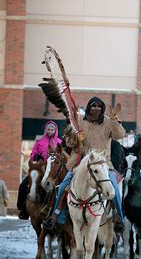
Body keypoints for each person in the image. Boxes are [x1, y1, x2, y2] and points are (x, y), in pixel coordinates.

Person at [42, 97, 126, 233]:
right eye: (94, 106)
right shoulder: (79, 120)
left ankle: (119, 218)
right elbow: (69, 142)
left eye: (99, 106)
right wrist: (76, 138)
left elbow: (120, 135)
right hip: (79, 163)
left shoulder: (108, 121)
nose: (97, 108)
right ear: (88, 107)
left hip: (102, 163)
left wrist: (115, 119)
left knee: (114, 189)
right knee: (63, 185)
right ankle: (55, 216)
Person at [17, 121, 62, 220]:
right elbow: (33, 153)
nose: (50, 131)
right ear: (46, 130)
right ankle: (23, 208)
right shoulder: (39, 140)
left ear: (55, 131)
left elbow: (62, 156)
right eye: (48, 129)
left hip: (53, 169)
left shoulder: (59, 142)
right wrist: (36, 156)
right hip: (41, 167)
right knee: (24, 185)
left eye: (52, 130)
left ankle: (57, 210)